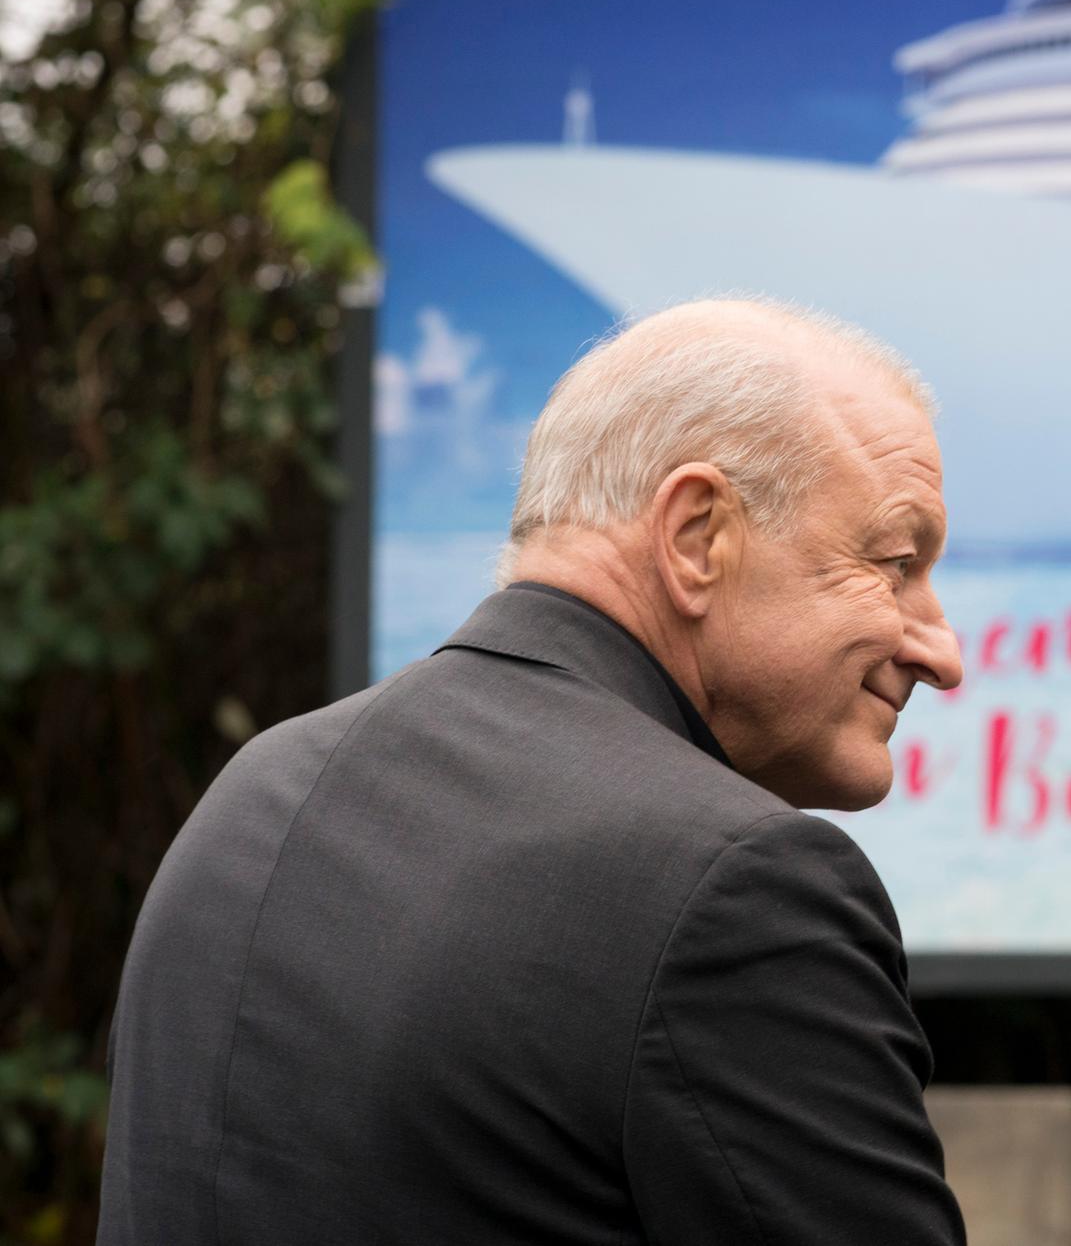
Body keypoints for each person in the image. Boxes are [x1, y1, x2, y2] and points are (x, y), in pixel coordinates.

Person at [99, 299, 970, 1244]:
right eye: (893, 561)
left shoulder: (255, 796)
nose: (940, 650)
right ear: (695, 536)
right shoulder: (737, 891)